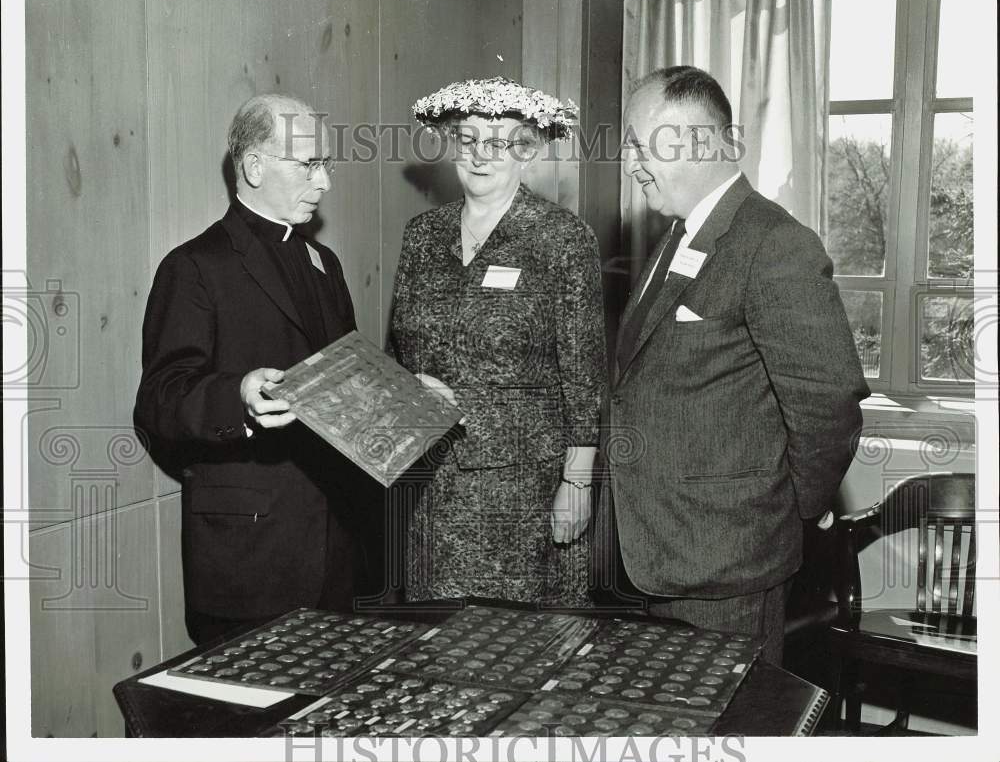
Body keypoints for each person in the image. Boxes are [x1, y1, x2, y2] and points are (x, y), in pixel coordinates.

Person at [607, 66, 869, 663]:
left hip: (725, 563)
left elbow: (828, 402)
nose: (630, 166)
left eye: (639, 146)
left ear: (700, 143)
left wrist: (787, 510)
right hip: (657, 553)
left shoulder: (775, 244)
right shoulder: (677, 236)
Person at [135, 94, 369, 644]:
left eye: (326, 165)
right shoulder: (193, 267)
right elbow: (160, 398)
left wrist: (407, 392)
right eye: (309, 165)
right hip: (249, 560)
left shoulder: (323, 264)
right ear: (255, 165)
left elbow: (346, 379)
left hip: (337, 552)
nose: (325, 183)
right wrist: (236, 396)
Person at [387, 77, 606, 606]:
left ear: (526, 151)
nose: (481, 155)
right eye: (468, 139)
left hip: (521, 495)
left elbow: (583, 376)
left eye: (502, 141)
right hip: (428, 485)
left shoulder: (561, 238)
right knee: (434, 657)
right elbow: (396, 352)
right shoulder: (422, 235)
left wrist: (577, 484)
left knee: (515, 658)